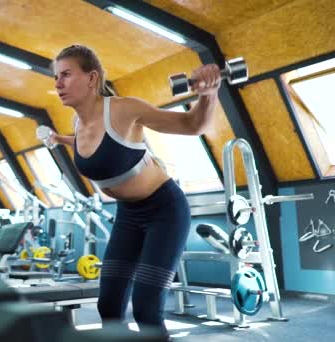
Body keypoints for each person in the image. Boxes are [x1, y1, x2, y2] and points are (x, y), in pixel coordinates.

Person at [37, 45, 221, 336]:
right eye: (56, 77)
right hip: (129, 215)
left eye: (66, 75)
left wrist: (208, 94)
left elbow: (193, 124)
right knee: (108, 306)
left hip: (165, 210)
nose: (58, 84)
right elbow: (93, 145)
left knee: (146, 308)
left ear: (92, 78)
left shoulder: (123, 110)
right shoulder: (77, 123)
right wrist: (60, 139)